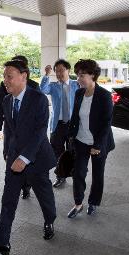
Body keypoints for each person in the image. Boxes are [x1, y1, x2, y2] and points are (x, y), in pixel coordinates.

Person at [0, 60, 57, 255]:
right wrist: (8, 151)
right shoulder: (7, 100)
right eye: (4, 76)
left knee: (44, 197)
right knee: (8, 200)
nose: (5, 80)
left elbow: (40, 131)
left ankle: (49, 221)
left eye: (9, 76)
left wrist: (24, 157)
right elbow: (10, 130)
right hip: (14, 160)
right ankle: (2, 242)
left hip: (36, 159)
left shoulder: (38, 99)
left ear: (24, 76)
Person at [67, 59, 115, 219]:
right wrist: (71, 136)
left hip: (98, 143)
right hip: (81, 140)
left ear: (93, 75)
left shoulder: (104, 95)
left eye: (82, 75)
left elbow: (106, 123)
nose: (78, 79)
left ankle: (93, 202)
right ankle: (78, 203)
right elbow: (75, 117)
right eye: (77, 75)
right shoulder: (79, 93)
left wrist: (98, 144)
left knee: (97, 174)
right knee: (78, 173)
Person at [0, 55, 39, 199]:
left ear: (23, 72)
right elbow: (0, 106)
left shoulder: (34, 86)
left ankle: (26, 186)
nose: (6, 79)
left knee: (25, 159)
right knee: (9, 156)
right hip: (11, 131)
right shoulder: (4, 85)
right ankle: (15, 184)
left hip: (27, 133)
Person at [40, 59, 80, 188]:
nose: (59, 73)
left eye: (62, 70)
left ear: (68, 70)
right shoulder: (53, 86)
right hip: (57, 125)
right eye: (57, 71)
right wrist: (46, 74)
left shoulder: (76, 85)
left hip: (73, 124)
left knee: (73, 151)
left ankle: (75, 175)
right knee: (57, 151)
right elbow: (42, 90)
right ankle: (60, 176)